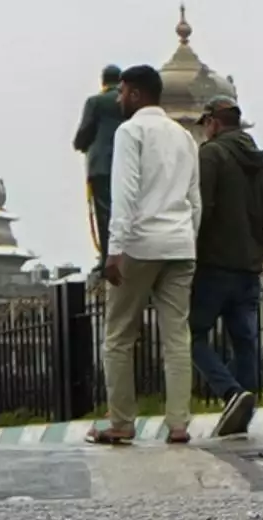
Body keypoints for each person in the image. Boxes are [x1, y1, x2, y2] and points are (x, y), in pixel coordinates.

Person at [92, 63, 201, 446]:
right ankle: (178, 425)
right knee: (177, 337)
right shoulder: (184, 137)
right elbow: (194, 198)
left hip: (140, 244)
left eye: (121, 92)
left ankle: (121, 421)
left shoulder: (130, 131)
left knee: (119, 336)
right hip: (180, 244)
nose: (118, 98)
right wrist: (189, 241)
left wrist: (114, 249)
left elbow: (126, 193)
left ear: (136, 94)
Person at [190, 97, 263, 440]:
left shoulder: (210, 155)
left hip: (212, 265)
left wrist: (190, 251)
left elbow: (202, 209)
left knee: (190, 335)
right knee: (245, 341)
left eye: (204, 125)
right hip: (249, 269)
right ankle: (243, 412)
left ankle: (230, 394)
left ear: (212, 122)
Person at [74, 63, 132, 253]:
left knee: (105, 213)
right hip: (127, 163)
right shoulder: (129, 102)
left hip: (101, 166)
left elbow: (85, 132)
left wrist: (79, 144)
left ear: (103, 81)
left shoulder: (96, 102)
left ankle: (107, 255)